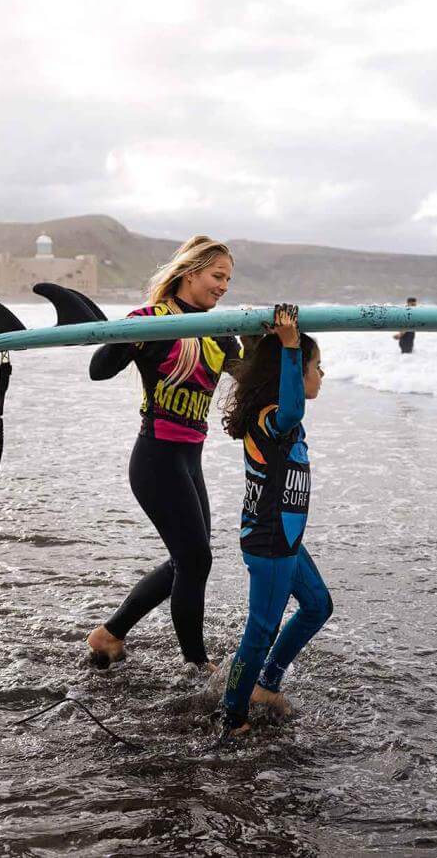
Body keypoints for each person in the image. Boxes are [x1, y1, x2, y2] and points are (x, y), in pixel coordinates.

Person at [84, 235, 242, 674]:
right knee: (195, 559)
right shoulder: (152, 320)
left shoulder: (218, 332)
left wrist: (279, 339)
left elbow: (250, 378)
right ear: (190, 273)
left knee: (187, 561)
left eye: (229, 278)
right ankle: (196, 663)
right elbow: (98, 371)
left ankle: (110, 633)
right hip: (156, 458)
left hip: (191, 460)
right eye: (217, 276)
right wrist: (129, 336)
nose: (224, 286)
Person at [215, 303, 331, 738]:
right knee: (261, 630)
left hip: (287, 543)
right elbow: (292, 409)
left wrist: (272, 344)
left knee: (318, 606)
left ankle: (267, 686)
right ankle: (233, 716)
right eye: (317, 367)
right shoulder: (274, 420)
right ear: (295, 375)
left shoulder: (279, 423)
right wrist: (289, 346)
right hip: (269, 544)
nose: (322, 375)